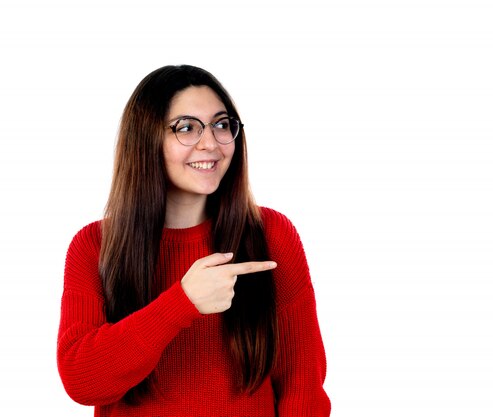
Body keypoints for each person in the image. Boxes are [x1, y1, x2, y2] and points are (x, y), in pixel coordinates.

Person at [57, 64, 331, 416]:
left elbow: (303, 388)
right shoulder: (94, 245)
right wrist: (181, 302)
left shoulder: (271, 234)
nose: (211, 144)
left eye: (221, 125)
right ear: (146, 139)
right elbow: (83, 381)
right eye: (186, 128)